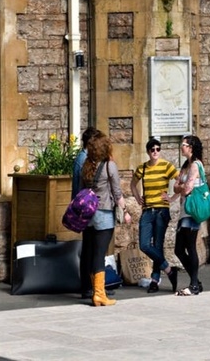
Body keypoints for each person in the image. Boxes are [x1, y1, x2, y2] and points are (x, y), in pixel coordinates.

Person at [78, 129, 130, 306]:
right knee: (100, 254)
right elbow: (117, 192)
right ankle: (99, 294)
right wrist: (126, 210)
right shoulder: (109, 166)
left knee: (92, 253)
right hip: (104, 214)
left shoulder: (86, 165)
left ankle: (94, 289)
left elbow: (80, 190)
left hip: (89, 215)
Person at [130, 137, 179, 293]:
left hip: (161, 211)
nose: (155, 152)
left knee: (158, 245)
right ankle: (169, 270)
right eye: (152, 150)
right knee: (145, 244)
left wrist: (171, 197)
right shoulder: (143, 168)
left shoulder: (166, 166)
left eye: (158, 149)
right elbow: (133, 184)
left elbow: (181, 183)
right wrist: (138, 198)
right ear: (148, 152)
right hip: (147, 210)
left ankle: (154, 280)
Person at [168, 134, 206, 296]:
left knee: (190, 246)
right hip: (185, 211)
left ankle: (194, 285)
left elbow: (188, 188)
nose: (181, 147)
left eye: (184, 144)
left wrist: (181, 186)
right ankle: (195, 281)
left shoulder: (196, 165)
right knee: (178, 249)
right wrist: (180, 188)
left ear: (190, 147)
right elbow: (177, 187)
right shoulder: (186, 165)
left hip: (193, 211)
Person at [72, 127, 96, 297]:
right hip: (87, 207)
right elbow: (79, 186)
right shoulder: (83, 159)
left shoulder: (84, 158)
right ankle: (87, 286)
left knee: (91, 247)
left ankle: (91, 285)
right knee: (89, 248)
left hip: (85, 206)